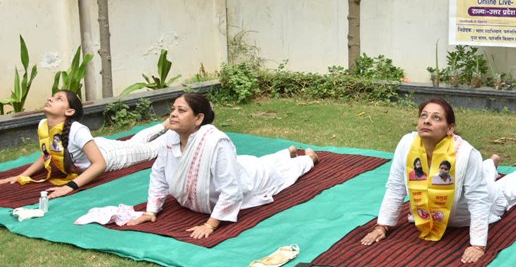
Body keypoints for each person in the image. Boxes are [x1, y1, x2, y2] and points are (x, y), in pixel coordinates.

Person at [360, 98, 516, 263]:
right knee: (480, 174)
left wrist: (478, 245)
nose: (427, 121)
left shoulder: (466, 153)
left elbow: (479, 200)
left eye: (436, 118)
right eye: (424, 116)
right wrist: (382, 226)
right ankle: (490, 164)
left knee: (502, 190)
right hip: (427, 216)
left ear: (450, 129)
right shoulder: (407, 144)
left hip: (462, 216)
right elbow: (396, 186)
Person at [123, 93, 318, 239]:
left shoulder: (216, 142)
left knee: (279, 175)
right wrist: (151, 211)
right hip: (240, 166)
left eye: (181, 111)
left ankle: (307, 159)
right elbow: (158, 175)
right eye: (173, 109)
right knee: (259, 162)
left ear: (198, 119)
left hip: (249, 179)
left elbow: (232, 190)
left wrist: (210, 225)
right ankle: (286, 153)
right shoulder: (169, 139)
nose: (173, 114)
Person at [0, 90, 168, 199]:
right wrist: (23, 175)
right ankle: (165, 125)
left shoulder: (77, 130)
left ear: (69, 111)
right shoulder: (43, 125)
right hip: (97, 146)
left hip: (111, 156)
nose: (50, 98)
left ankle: (176, 129)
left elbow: (99, 164)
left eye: (59, 99)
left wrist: (70, 187)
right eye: (53, 96)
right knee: (134, 142)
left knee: (150, 149)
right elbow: (47, 155)